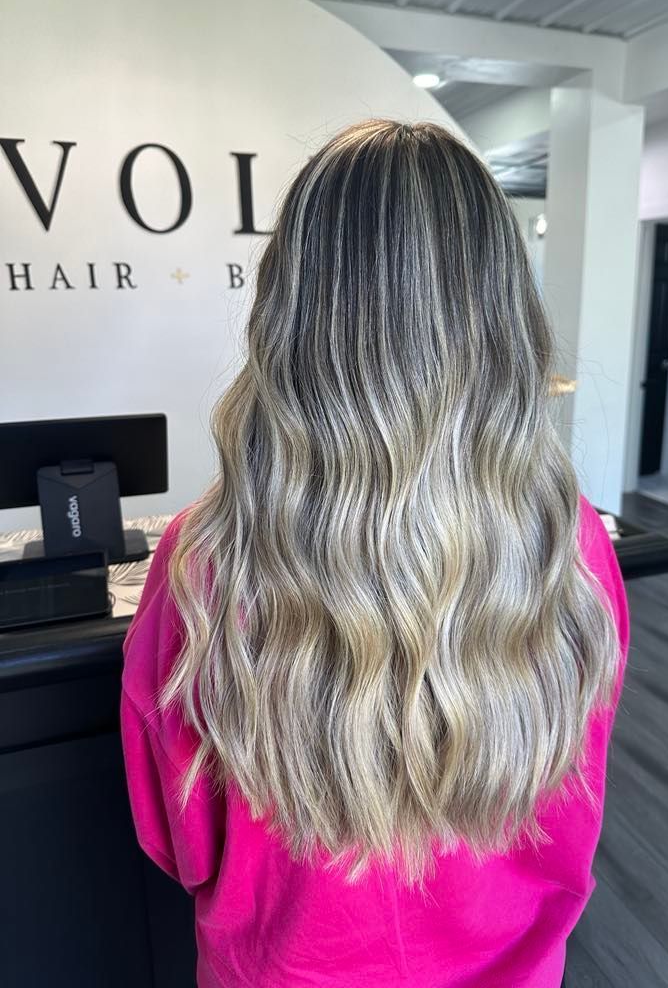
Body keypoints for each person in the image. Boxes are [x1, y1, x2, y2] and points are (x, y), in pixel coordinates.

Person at [120, 119, 629, 988]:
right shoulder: (569, 544)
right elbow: (572, 818)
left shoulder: (206, 560)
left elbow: (179, 843)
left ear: (290, 309)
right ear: (500, 309)